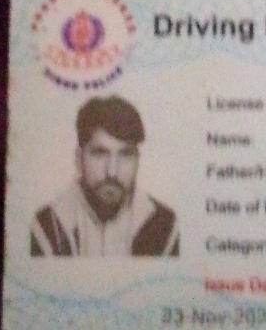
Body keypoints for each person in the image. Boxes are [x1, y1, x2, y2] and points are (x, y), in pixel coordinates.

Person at [31, 96, 178, 257]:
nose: (112, 172)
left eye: (125, 154)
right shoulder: (46, 227)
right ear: (79, 159)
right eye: (100, 153)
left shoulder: (165, 226)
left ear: (137, 160)